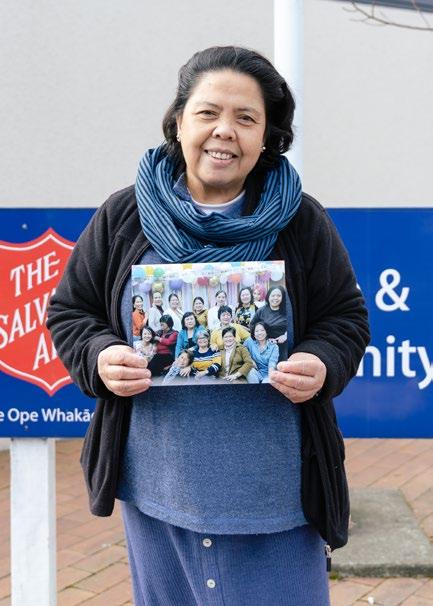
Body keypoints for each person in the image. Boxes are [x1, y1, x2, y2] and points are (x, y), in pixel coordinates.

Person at [47, 46, 369, 606]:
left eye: (246, 118)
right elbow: (71, 311)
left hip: (277, 498)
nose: (225, 131)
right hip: (157, 491)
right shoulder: (125, 216)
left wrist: (321, 361)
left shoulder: (301, 221)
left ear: (267, 137)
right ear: (178, 122)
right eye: (208, 113)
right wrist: (100, 356)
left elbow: (346, 318)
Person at [250, 285, 289, 362]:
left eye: (279, 296)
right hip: (265, 345)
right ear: (268, 297)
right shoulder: (261, 311)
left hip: (283, 345)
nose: (275, 298)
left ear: (283, 297)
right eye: (273, 295)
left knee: (282, 365)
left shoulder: (287, 311)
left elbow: (294, 326)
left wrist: (285, 335)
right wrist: (264, 338)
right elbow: (252, 326)